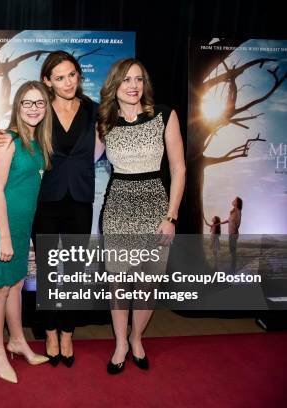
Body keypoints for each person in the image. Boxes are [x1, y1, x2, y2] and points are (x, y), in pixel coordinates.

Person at [0, 51, 98, 367]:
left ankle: (68, 332)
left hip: (80, 198)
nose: (68, 82)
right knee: (50, 271)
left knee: (76, 270)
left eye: (72, 75)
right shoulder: (41, 110)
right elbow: (17, 137)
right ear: (47, 81)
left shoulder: (93, 110)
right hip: (46, 200)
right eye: (60, 77)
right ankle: (50, 330)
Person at [96, 58, 185, 374]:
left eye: (139, 79)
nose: (133, 86)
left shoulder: (163, 115)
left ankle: (136, 338)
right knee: (119, 283)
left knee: (147, 283)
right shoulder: (104, 122)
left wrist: (171, 216)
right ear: (114, 86)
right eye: (126, 80)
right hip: (118, 207)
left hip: (156, 208)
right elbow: (78, 157)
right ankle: (120, 342)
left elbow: (178, 168)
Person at [0, 81, 52, 383]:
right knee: (0, 289)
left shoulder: (38, 142)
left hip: (23, 225)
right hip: (6, 227)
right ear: (17, 106)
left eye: (39, 103)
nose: (34, 108)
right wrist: (6, 236)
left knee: (15, 285)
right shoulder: (8, 140)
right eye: (27, 102)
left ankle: (17, 340)